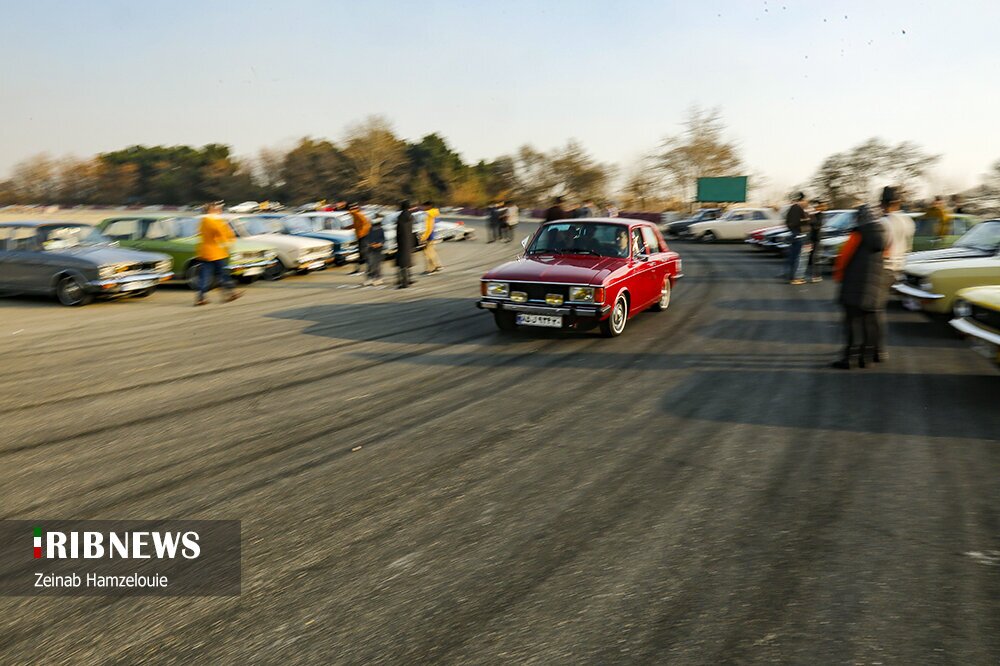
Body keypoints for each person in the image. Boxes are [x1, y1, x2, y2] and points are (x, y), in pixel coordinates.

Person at [831, 203, 886, 369]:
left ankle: (850, 358)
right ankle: (867, 358)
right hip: (874, 287)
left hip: (854, 286)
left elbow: (843, 258)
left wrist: (839, 276)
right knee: (869, 322)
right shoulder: (881, 234)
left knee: (853, 323)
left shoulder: (858, 235)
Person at [877, 186, 915, 361]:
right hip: (900, 265)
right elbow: (909, 246)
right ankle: (878, 348)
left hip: (885, 267)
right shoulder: (908, 221)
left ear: (883, 204)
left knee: (876, 311)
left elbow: (881, 249)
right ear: (898, 203)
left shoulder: (883, 224)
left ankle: (879, 348)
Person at [194, 201, 241, 306]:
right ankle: (229, 294)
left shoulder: (204, 221)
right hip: (216, 252)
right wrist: (228, 241)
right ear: (212, 210)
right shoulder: (212, 221)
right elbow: (221, 232)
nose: (220, 211)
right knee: (223, 274)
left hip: (206, 252)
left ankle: (201, 298)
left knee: (205, 275)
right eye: (217, 209)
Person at [784, 192, 810, 284]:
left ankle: (792, 276)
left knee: (794, 256)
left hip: (795, 234)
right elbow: (796, 222)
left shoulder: (792, 208)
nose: (806, 202)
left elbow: (787, 222)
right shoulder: (797, 208)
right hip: (799, 234)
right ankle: (796, 278)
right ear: (801, 200)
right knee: (798, 257)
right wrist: (805, 221)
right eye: (805, 200)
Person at [805, 198, 827, 283]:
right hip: (812, 238)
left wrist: (810, 218)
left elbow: (817, 226)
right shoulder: (816, 214)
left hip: (816, 238)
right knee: (812, 257)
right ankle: (814, 275)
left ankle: (816, 276)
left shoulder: (820, 214)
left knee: (815, 257)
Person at [395, 201, 415, 288]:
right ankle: (409, 279)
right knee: (407, 261)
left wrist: (397, 240)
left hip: (402, 241)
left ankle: (404, 282)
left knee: (402, 263)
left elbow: (399, 230)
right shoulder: (410, 216)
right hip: (409, 240)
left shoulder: (401, 217)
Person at [348, 203, 371, 276]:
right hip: (360, 236)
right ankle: (359, 269)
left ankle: (369, 268)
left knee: (363, 252)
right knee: (361, 253)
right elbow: (357, 225)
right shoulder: (355, 215)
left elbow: (367, 224)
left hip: (362, 236)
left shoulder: (358, 214)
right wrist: (348, 227)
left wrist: (362, 233)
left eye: (350, 209)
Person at [420, 200, 443, 274]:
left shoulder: (428, 214)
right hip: (433, 235)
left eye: (424, 206)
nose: (423, 208)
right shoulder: (434, 213)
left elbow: (428, 227)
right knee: (432, 252)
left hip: (428, 236)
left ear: (428, 206)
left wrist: (424, 237)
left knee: (428, 253)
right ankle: (437, 265)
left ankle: (431, 269)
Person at [364, 216, 385, 286]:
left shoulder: (381, 229)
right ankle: (370, 278)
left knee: (377, 264)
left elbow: (383, 239)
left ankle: (378, 278)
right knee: (370, 264)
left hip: (378, 249)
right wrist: (370, 244)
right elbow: (368, 238)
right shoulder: (370, 229)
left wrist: (379, 244)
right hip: (371, 249)